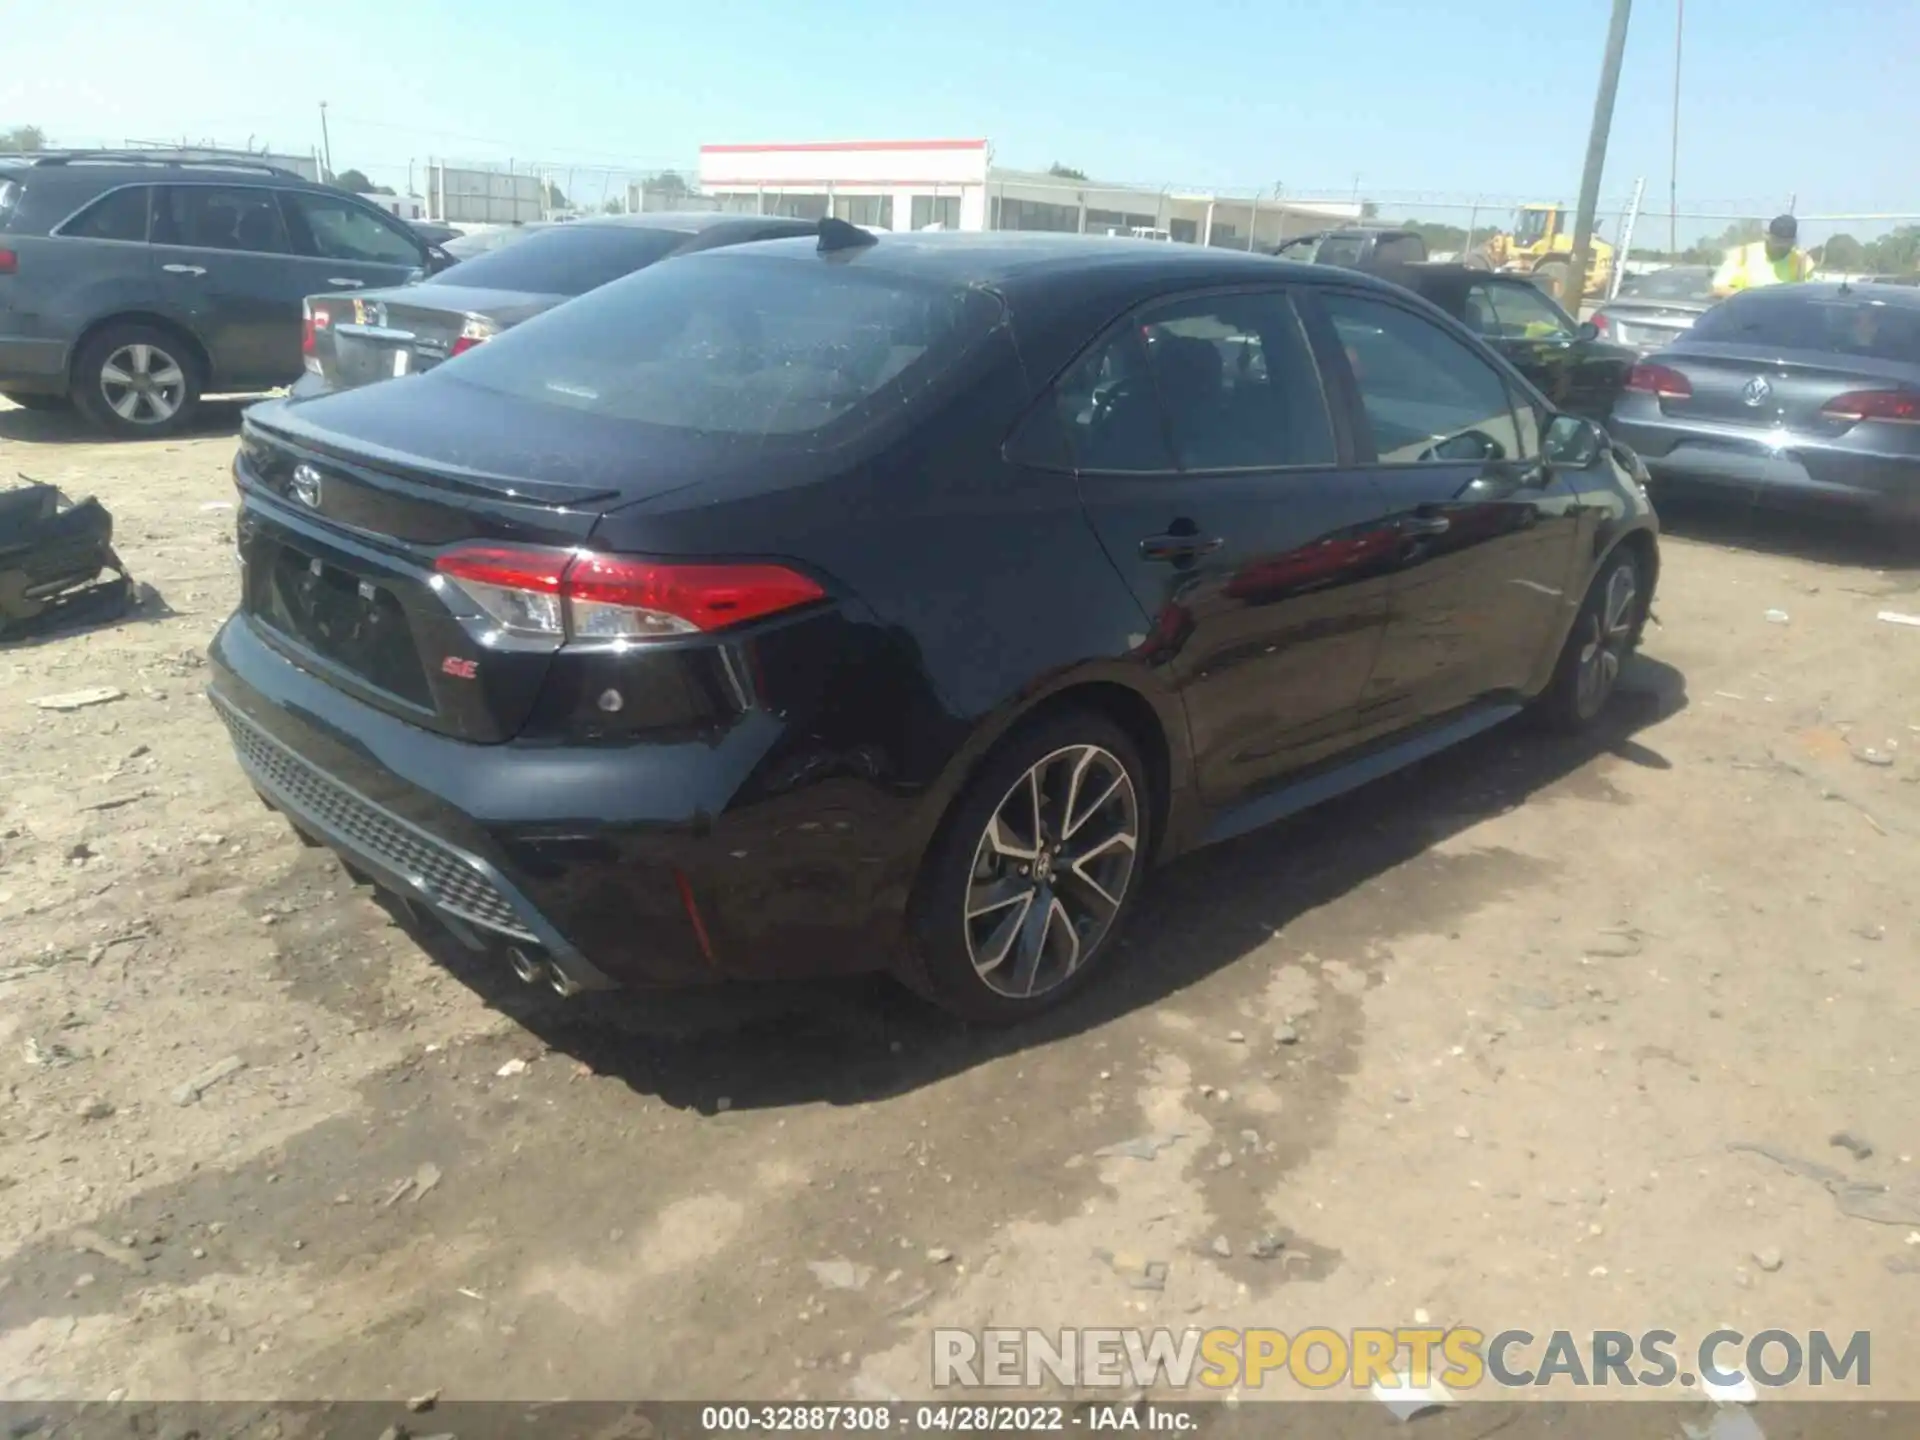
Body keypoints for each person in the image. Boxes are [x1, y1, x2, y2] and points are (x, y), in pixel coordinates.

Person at [1711, 215, 1816, 296]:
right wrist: (1750, 297)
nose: (1781, 247)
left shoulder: (1802, 262)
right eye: (1777, 241)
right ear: (1767, 235)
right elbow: (1718, 289)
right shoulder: (1743, 255)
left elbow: (1811, 295)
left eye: (1787, 243)